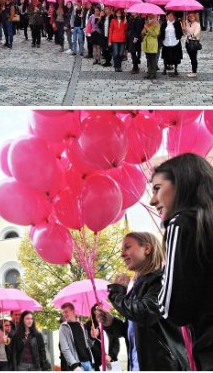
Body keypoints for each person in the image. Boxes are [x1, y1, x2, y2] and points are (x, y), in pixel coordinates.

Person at [150, 154, 213, 370]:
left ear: (182, 183)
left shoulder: (182, 223)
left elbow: (172, 309)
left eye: (157, 188)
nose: (152, 200)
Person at [96, 231, 189, 371]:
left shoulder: (161, 280)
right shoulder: (137, 287)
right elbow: (138, 329)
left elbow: (145, 314)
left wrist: (116, 294)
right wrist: (112, 323)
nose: (122, 254)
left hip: (164, 365)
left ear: (147, 248)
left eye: (127, 247)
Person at [59, 302, 96, 371]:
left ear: (73, 311)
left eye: (66, 312)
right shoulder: (63, 327)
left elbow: (88, 345)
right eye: (63, 313)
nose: (64, 314)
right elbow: (65, 349)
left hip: (89, 362)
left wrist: (92, 337)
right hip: (77, 365)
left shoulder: (81, 325)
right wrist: (74, 365)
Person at [83, 304, 113, 371]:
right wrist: (103, 356)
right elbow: (88, 343)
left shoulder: (107, 323)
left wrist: (111, 355)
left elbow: (114, 340)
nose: (101, 310)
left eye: (102, 309)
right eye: (98, 309)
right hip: (98, 360)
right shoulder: (88, 325)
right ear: (94, 311)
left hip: (110, 359)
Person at [159, 11, 183, 76]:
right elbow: (161, 32)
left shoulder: (177, 23)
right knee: (165, 57)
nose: (170, 17)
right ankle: (164, 69)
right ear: (167, 16)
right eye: (169, 16)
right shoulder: (164, 24)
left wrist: (177, 37)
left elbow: (180, 33)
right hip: (166, 42)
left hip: (175, 42)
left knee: (175, 57)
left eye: (171, 15)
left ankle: (175, 69)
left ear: (174, 16)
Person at [182, 11, 201, 77]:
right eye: (189, 16)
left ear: (195, 17)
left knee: (193, 57)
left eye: (192, 16)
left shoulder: (197, 24)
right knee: (191, 57)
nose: (191, 17)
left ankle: (194, 72)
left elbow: (196, 33)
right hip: (188, 42)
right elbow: (185, 33)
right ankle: (193, 70)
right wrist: (184, 28)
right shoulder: (188, 23)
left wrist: (190, 35)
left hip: (194, 43)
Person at [108, 8, 128, 72]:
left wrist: (125, 23)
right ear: (115, 13)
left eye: (120, 12)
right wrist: (109, 41)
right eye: (117, 12)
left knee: (121, 54)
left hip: (122, 39)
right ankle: (116, 66)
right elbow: (110, 31)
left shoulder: (124, 20)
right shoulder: (113, 20)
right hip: (115, 39)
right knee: (116, 53)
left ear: (121, 13)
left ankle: (119, 66)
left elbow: (125, 30)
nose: (118, 13)